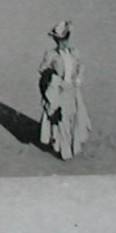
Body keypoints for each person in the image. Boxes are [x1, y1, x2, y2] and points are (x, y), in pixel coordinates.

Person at [38, 20, 91, 160]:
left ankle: (73, 146)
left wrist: (78, 78)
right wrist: (54, 80)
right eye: (60, 40)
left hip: (72, 91)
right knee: (61, 119)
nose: (63, 43)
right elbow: (42, 70)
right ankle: (64, 149)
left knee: (73, 117)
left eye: (65, 39)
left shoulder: (74, 52)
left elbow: (81, 66)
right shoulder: (51, 55)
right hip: (59, 91)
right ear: (56, 40)